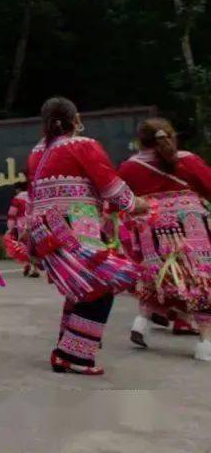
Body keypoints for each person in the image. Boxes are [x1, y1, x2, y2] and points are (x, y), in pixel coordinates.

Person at [25, 97, 147, 375]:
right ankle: (74, 355)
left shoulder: (37, 151)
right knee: (100, 285)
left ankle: (68, 347)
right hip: (77, 221)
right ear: (74, 119)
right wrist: (137, 204)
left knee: (82, 285)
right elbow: (112, 188)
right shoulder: (83, 146)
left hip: (48, 227)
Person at [118, 117, 211, 361]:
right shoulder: (188, 160)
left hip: (151, 232)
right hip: (191, 232)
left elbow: (121, 201)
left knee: (155, 278)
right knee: (199, 281)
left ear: (141, 140)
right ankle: (206, 344)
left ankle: (142, 323)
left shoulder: (129, 167)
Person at [4, 180, 39, 277]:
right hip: (34, 222)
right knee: (34, 246)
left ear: (18, 189)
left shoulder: (17, 199)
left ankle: (28, 264)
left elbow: (12, 214)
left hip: (21, 224)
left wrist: (10, 228)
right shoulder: (33, 197)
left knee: (25, 246)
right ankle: (34, 268)